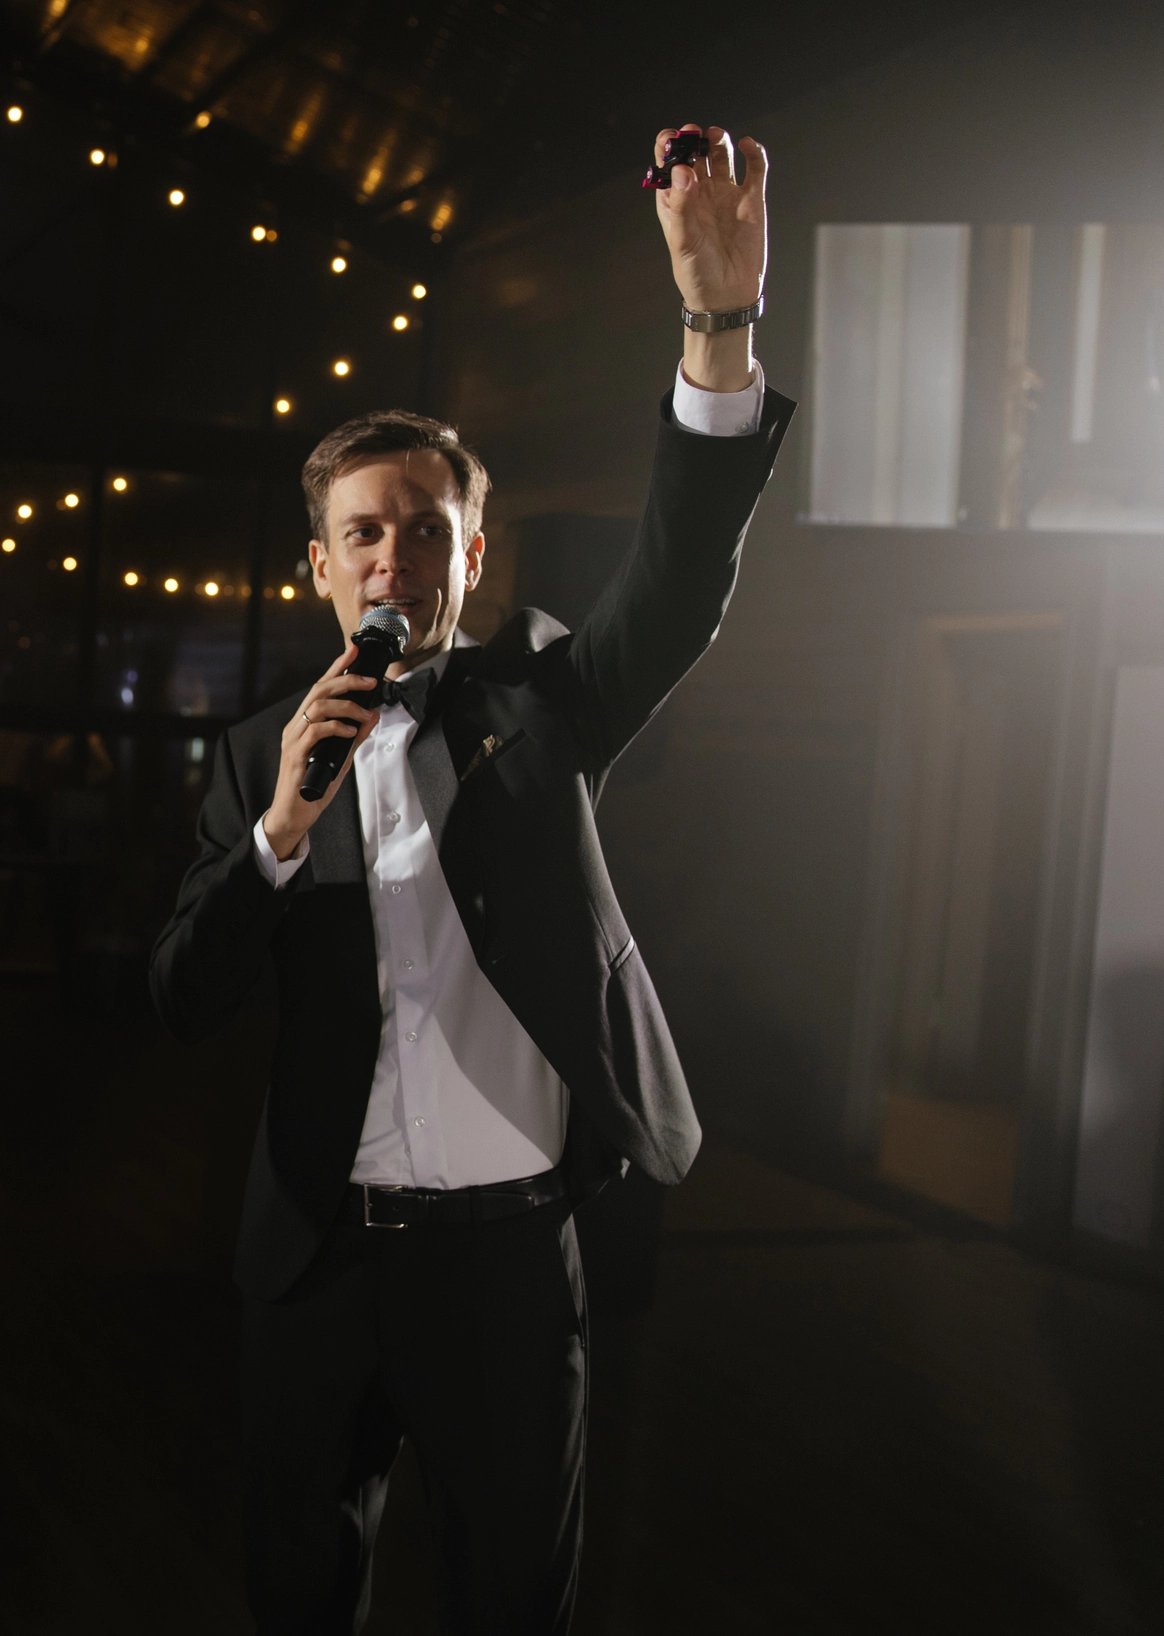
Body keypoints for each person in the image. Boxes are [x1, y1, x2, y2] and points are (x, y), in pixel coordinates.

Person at [150, 121, 794, 1636]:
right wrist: (281, 830)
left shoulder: (545, 701)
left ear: (473, 554)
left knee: (514, 1601)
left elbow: (680, 576)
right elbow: (183, 997)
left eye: (425, 532)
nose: (394, 557)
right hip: (317, 1265)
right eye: (362, 533)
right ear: (320, 566)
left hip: (508, 1263)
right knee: (298, 1599)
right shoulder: (253, 760)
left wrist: (718, 325)